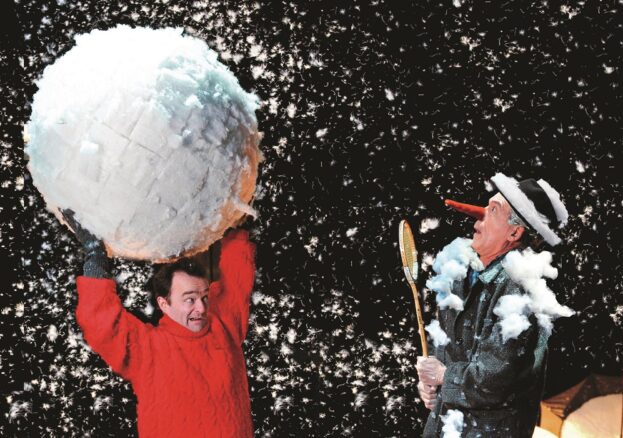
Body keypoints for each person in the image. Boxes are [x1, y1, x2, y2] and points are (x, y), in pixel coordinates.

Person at [62, 209, 256, 437]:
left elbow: (236, 277)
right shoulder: (149, 348)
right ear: (164, 304)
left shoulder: (224, 326)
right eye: (189, 299)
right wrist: (95, 257)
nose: (201, 308)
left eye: (205, 297)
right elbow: (101, 322)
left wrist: (237, 220)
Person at [416, 173, 570, 437]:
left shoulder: (521, 288)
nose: (479, 217)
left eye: (493, 211)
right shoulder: (462, 275)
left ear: (514, 232)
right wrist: (432, 387)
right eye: (486, 207)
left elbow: (493, 379)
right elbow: (449, 355)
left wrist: (444, 377)